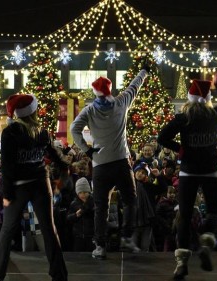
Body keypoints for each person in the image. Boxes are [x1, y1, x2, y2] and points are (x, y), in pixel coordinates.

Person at [0, 94, 69, 281]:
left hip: (18, 187)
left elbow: (7, 166)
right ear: (33, 111)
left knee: (7, 231)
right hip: (41, 183)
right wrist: (62, 173)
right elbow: (56, 156)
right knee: (49, 229)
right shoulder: (42, 131)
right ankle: (59, 274)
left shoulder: (11, 132)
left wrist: (6, 193)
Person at [70, 65, 150, 259]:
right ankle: (127, 238)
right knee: (130, 200)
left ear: (95, 92)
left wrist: (87, 149)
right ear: (110, 89)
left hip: (100, 165)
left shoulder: (89, 111)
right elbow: (134, 86)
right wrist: (144, 71)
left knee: (101, 206)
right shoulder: (121, 102)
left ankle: (100, 246)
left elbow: (74, 129)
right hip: (121, 162)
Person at [158, 79, 217, 279]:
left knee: (185, 214)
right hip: (211, 170)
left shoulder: (183, 117)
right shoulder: (215, 114)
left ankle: (181, 262)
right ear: (207, 99)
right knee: (213, 211)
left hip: (188, 171)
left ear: (189, 98)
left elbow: (162, 138)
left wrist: (180, 149)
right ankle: (206, 243)